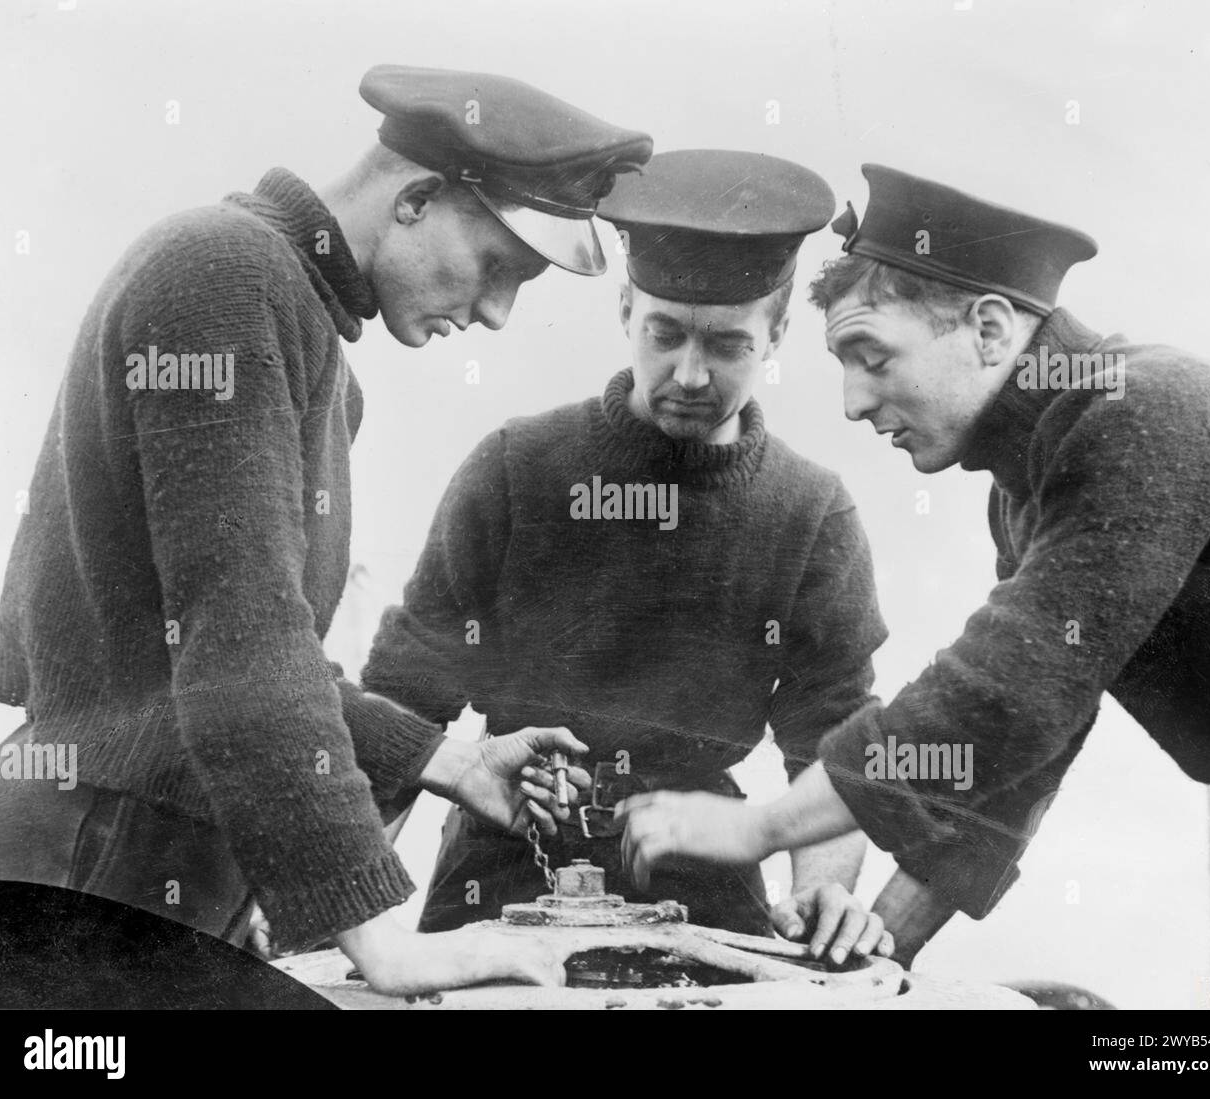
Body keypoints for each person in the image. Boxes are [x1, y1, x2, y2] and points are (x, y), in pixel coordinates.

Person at [0, 65, 653, 996]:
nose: (496, 313)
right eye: (500, 268)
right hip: (99, 851)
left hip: (134, 849)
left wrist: (450, 761)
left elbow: (265, 653)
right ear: (416, 199)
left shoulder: (294, 324)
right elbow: (239, 634)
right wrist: (384, 940)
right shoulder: (226, 274)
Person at [618, 163, 1210, 957]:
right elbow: (1016, 764)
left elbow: (1005, 696)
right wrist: (865, 959)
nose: (853, 402)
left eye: (873, 355)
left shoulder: (1142, 412)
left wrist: (759, 826)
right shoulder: (1030, 483)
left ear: (991, 329)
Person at [361, 150, 893, 966]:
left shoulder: (812, 512)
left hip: (712, 881)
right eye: (665, 332)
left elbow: (832, 736)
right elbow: (405, 702)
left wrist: (823, 887)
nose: (689, 372)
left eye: (726, 344)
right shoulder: (516, 469)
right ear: (624, 308)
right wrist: (338, 898)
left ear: (779, 332)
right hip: (504, 869)